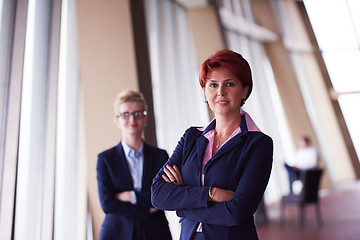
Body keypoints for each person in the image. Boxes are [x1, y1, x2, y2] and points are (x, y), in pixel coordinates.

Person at [151, 49, 273, 240]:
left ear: (245, 90)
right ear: (205, 90)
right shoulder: (191, 137)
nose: (220, 92)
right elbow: (158, 194)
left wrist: (183, 205)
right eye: (213, 85)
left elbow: (237, 212)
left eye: (229, 84)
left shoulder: (258, 144)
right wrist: (211, 193)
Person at [97, 90, 172, 240]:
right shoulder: (105, 159)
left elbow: (164, 197)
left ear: (145, 119)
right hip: (117, 233)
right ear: (117, 120)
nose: (132, 118)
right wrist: (146, 209)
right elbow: (108, 204)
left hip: (155, 231)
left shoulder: (160, 156)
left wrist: (130, 196)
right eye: (125, 114)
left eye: (137, 113)